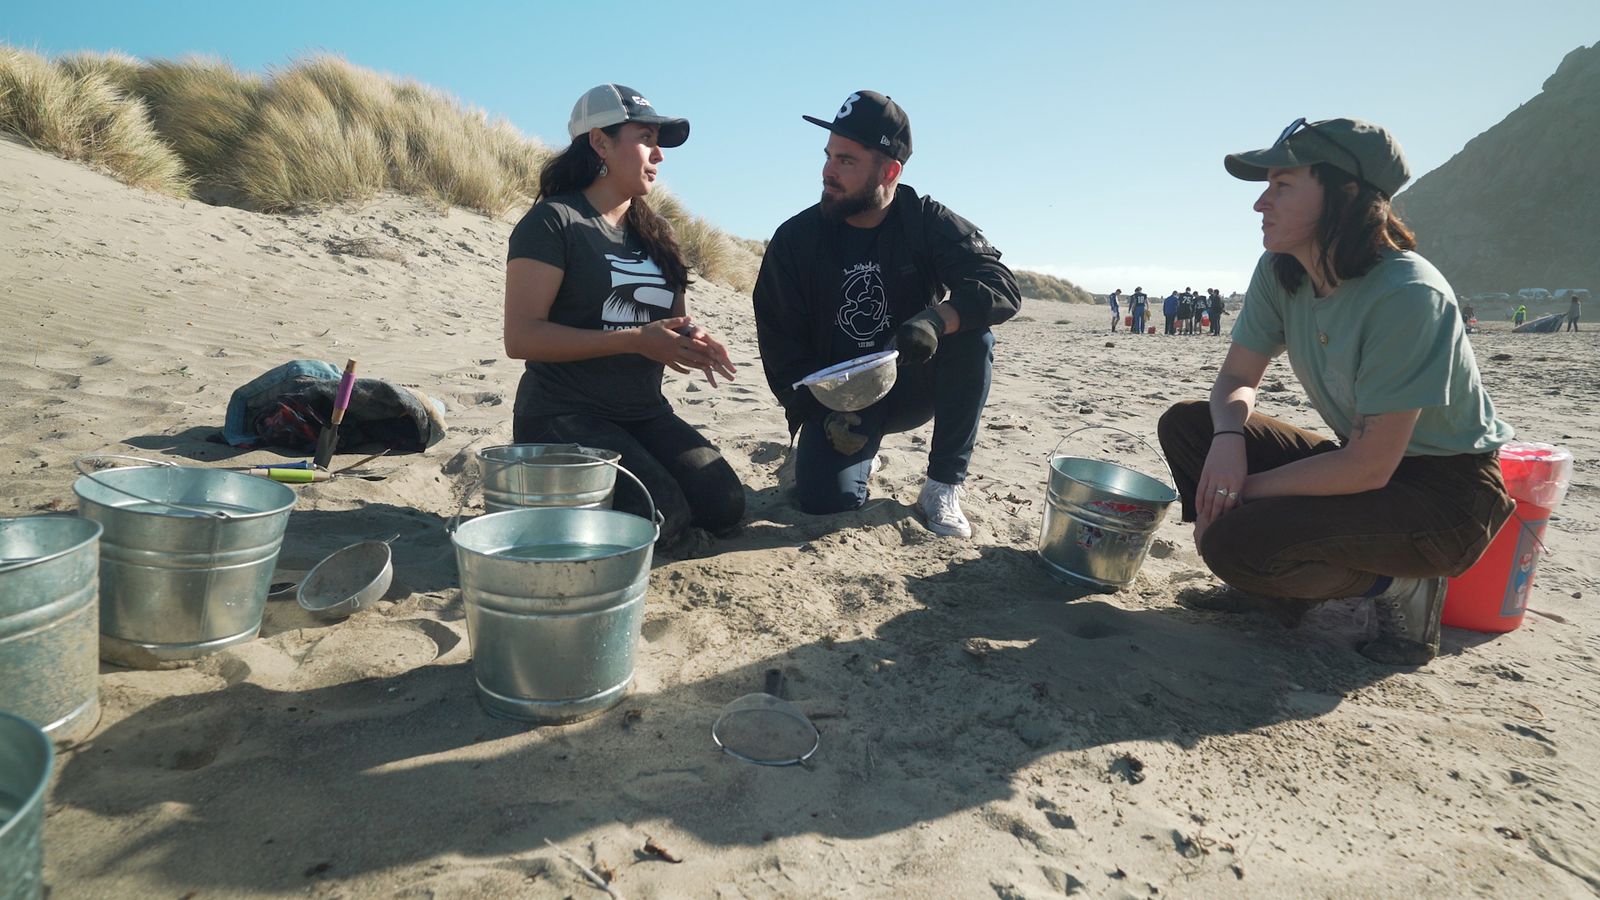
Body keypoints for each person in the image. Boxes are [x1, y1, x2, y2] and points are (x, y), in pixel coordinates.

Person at [1157, 117, 1515, 665]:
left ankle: (1404, 587)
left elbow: (1370, 467)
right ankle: (1271, 589)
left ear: (1346, 195)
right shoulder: (1282, 270)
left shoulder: (1407, 295)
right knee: (1192, 426)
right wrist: (1227, 441)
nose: (1260, 204)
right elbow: (1234, 379)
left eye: (1282, 186)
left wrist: (1238, 494)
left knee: (1236, 541)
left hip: (1446, 495)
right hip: (1365, 467)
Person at [753, 90, 1021, 538]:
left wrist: (936, 320)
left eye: (846, 161)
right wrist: (818, 413)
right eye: (828, 156)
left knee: (975, 340)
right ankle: (850, 454)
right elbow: (780, 344)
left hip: (908, 383)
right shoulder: (796, 239)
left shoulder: (924, 220)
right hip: (837, 399)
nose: (827, 172)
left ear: (890, 170)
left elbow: (1000, 286)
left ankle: (942, 486)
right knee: (826, 501)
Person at [503, 84, 745, 550]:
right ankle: (546, 494)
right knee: (662, 515)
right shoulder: (554, 222)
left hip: (642, 412)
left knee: (724, 504)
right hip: (562, 414)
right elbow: (522, 337)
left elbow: (669, 324)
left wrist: (693, 340)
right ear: (600, 142)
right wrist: (635, 340)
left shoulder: (659, 233)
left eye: (660, 142)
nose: (659, 154)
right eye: (645, 138)